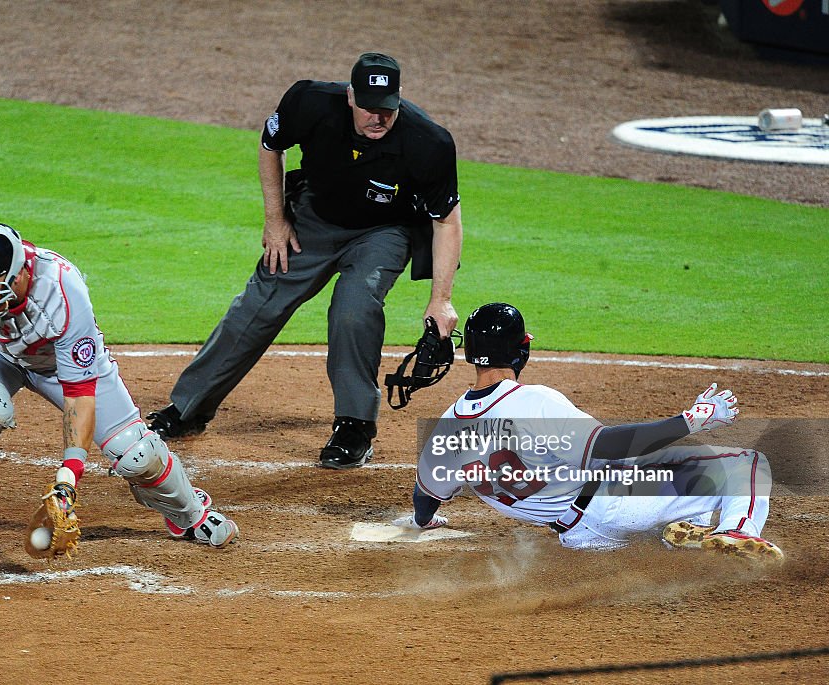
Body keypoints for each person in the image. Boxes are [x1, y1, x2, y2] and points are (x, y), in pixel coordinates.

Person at [148, 52, 463, 469]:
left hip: (384, 232)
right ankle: (187, 409)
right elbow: (270, 145)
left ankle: (354, 427)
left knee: (355, 308)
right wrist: (276, 220)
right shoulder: (309, 103)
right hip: (315, 219)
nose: (377, 118)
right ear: (350, 95)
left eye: (386, 109)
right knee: (258, 306)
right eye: (368, 107)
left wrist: (441, 299)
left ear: (399, 100)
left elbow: (446, 221)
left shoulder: (428, 143)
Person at [0, 222, 239, 569]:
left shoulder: (62, 292)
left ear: (17, 277)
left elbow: (79, 396)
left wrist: (68, 478)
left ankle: (190, 514)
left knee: (137, 453)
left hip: (60, 367)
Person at [394, 303, 784, 562]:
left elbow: (425, 496)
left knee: (663, 497)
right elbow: (610, 445)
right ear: (519, 351)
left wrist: (424, 520)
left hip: (579, 537)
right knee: (744, 464)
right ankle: (737, 531)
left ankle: (680, 533)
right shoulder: (532, 402)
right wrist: (690, 420)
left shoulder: (446, 430)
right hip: (614, 506)